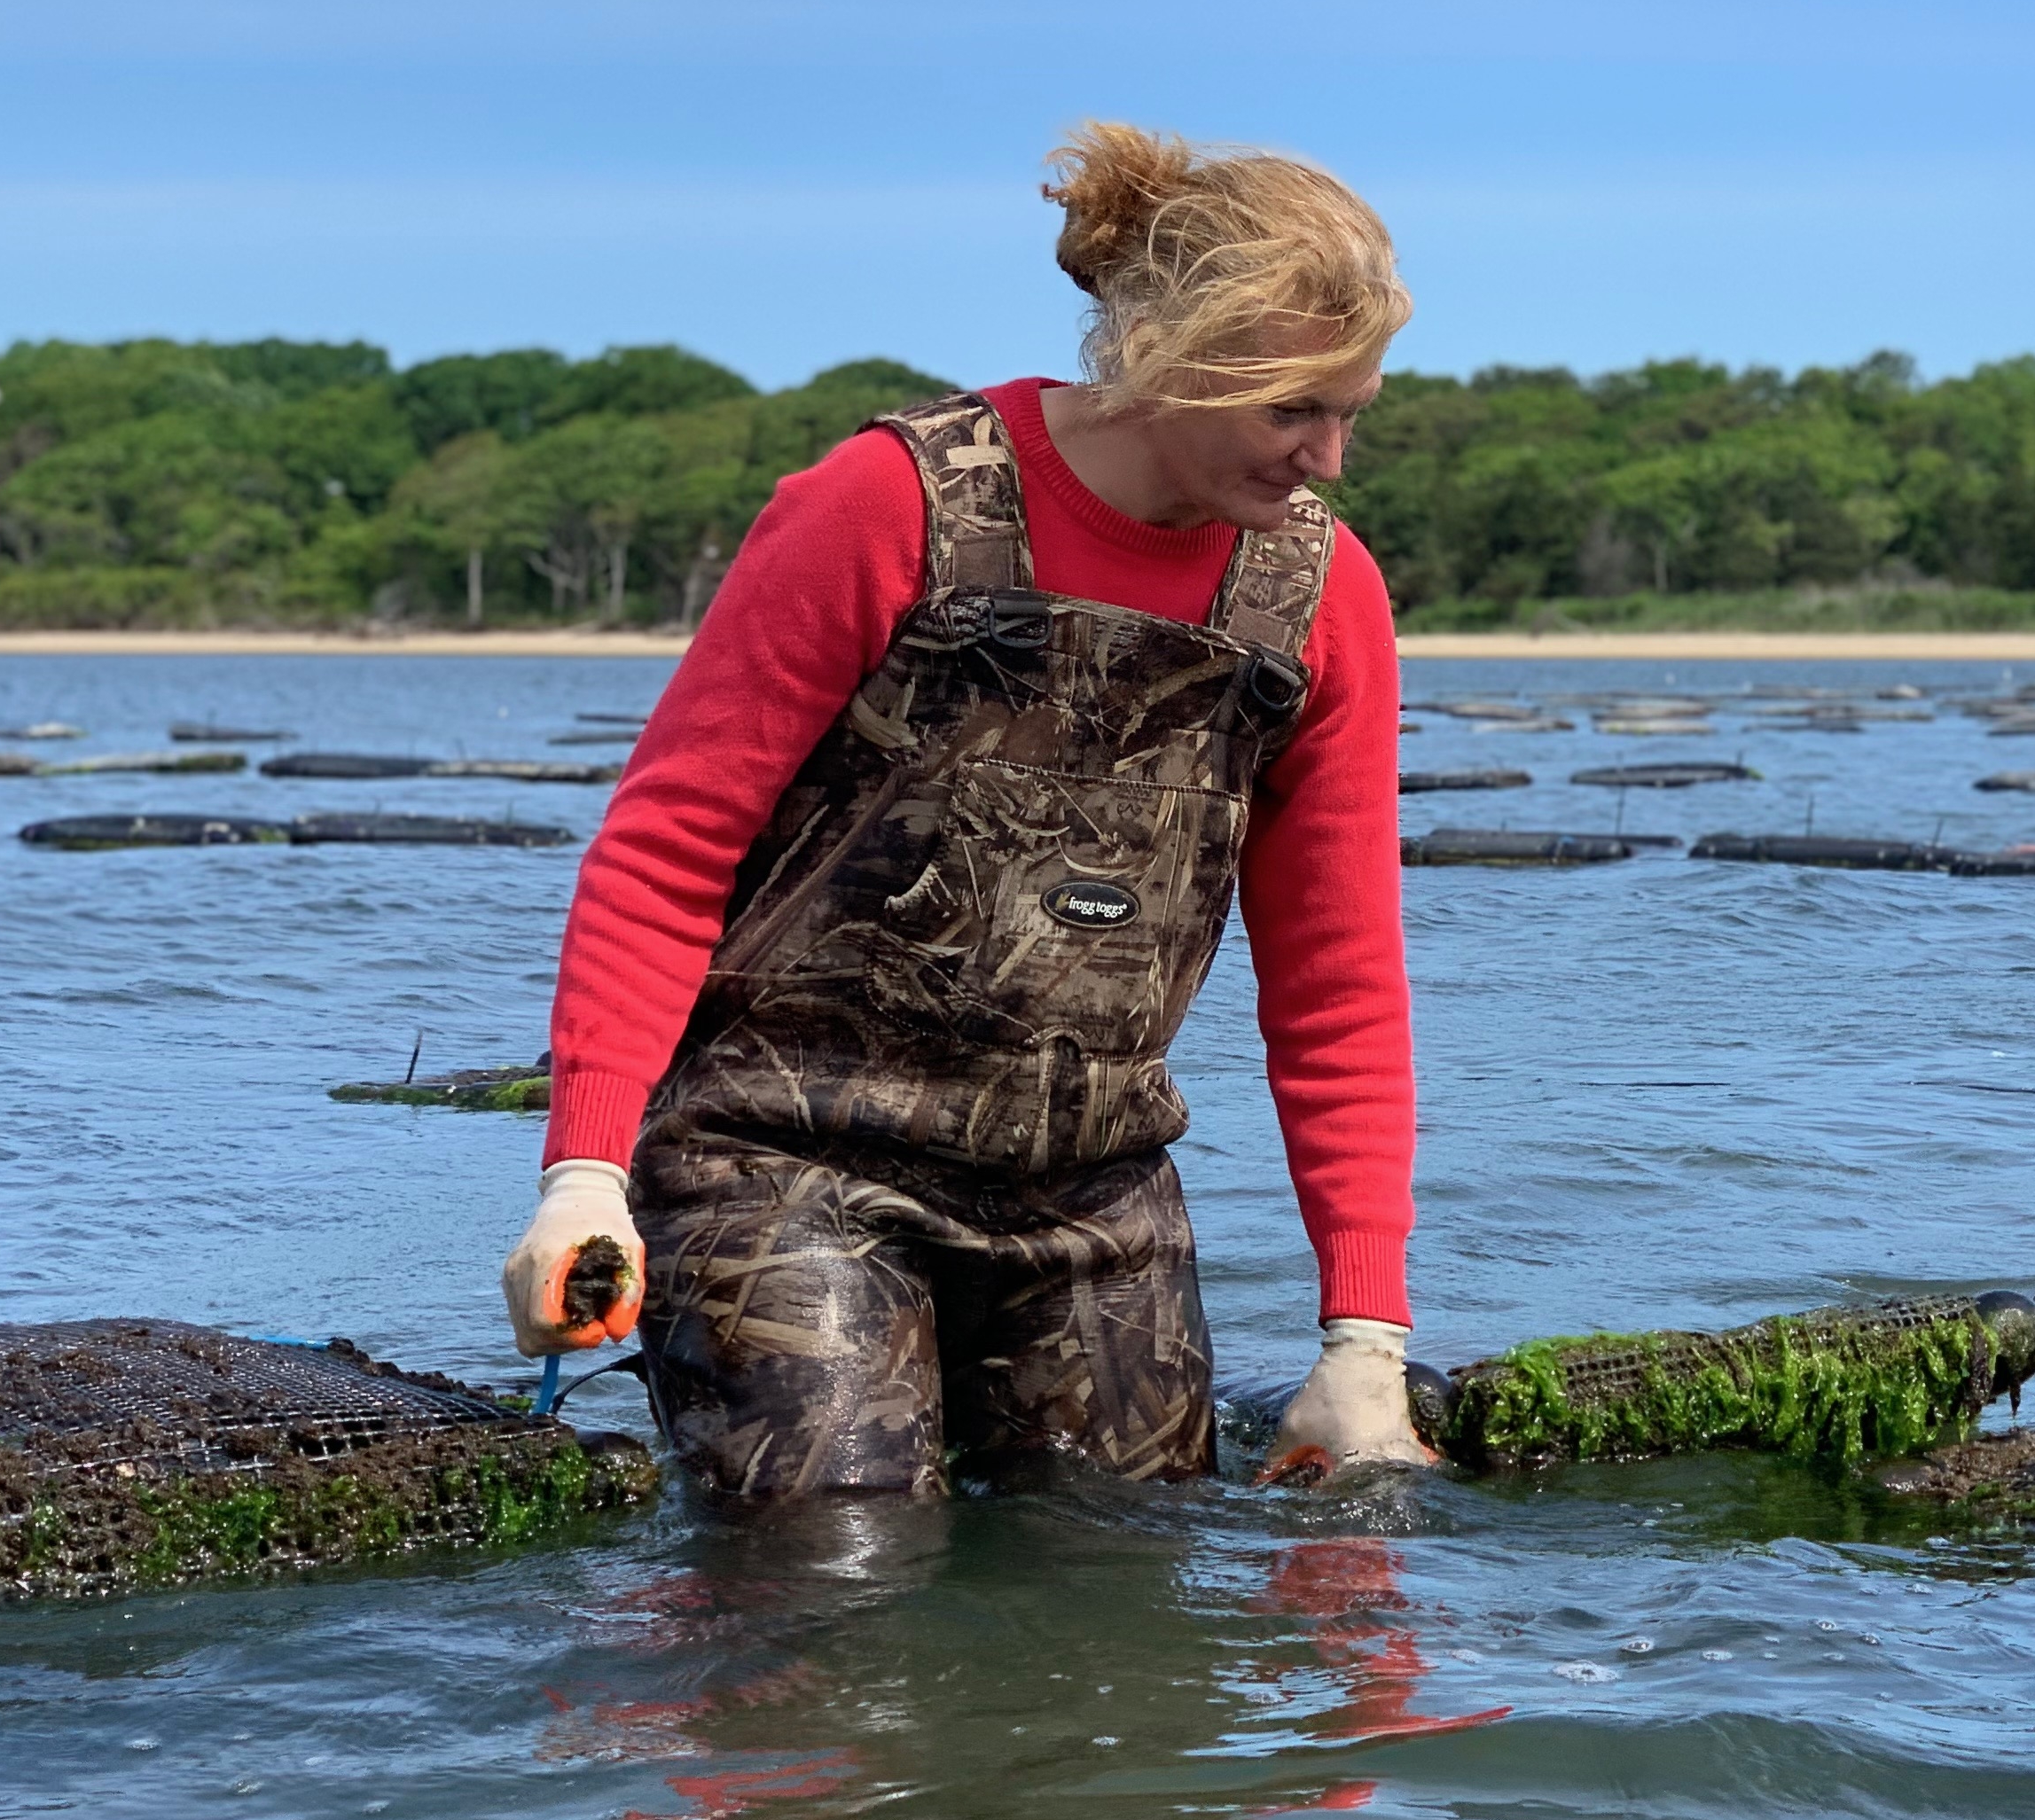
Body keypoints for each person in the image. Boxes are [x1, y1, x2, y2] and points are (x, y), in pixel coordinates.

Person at [499, 124, 1428, 1502]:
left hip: (1091, 1189)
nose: (1329, 458)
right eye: (1297, 410)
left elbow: (1339, 983)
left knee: (1127, 1595)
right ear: (1172, 351)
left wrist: (1366, 1336)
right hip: (783, 1158)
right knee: (842, 1567)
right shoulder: (890, 505)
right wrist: (583, 1175)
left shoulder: (1321, 598)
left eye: (1353, 410)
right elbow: (663, 852)